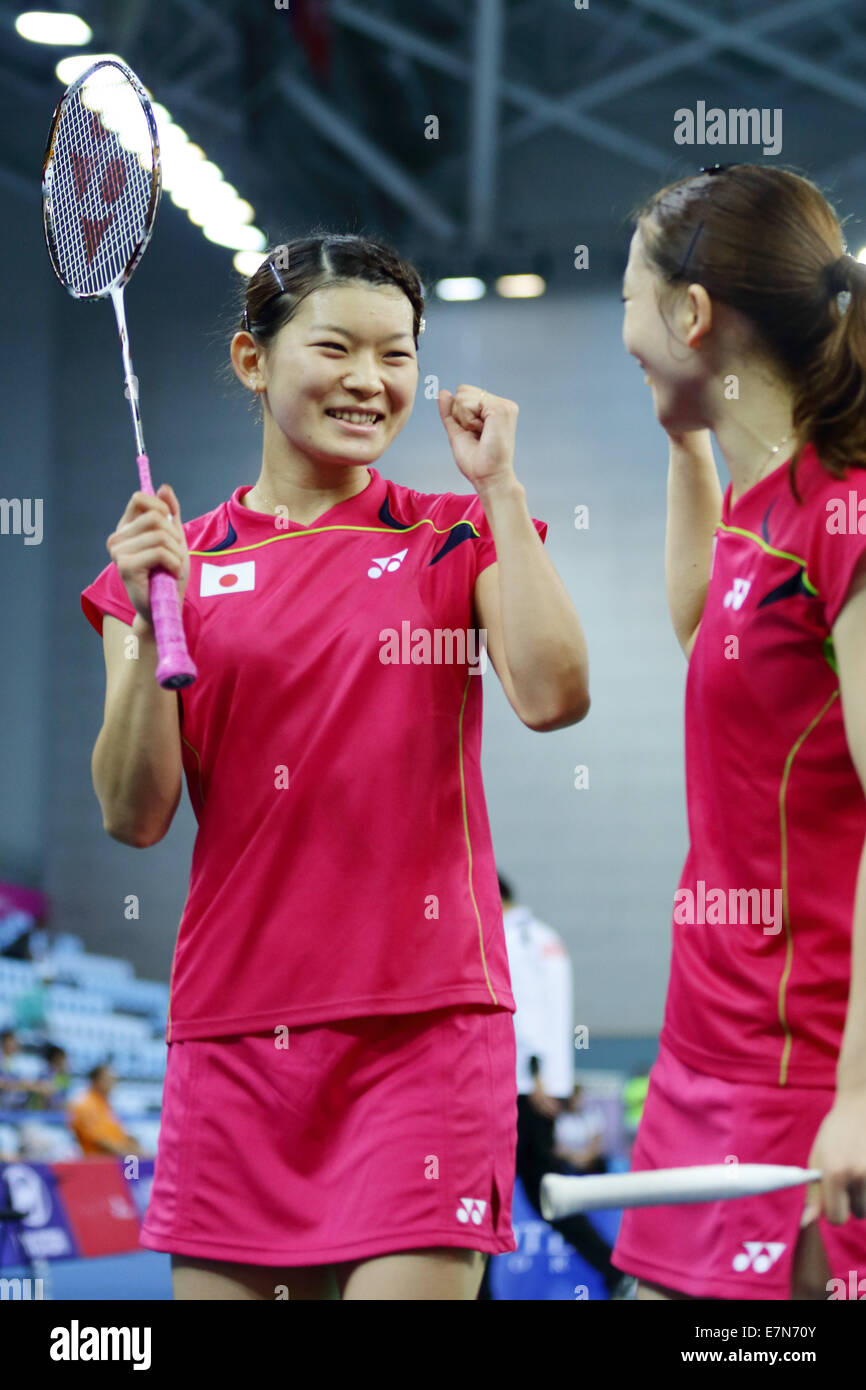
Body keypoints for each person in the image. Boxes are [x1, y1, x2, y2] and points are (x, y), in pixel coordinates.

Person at [80, 234, 590, 1301]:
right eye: (336, 347)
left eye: (397, 354)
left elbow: (551, 695)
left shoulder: (450, 536)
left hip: (423, 1027)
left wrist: (499, 489)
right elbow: (134, 814)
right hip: (234, 1033)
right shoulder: (172, 561)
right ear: (252, 359)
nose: (369, 380)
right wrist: (141, 613)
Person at [613, 163, 866, 1301]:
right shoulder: (762, 509)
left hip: (807, 1068)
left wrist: (858, 1095)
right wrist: (685, 442)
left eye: (629, 299)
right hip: (701, 1056)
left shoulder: (841, 513)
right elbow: (703, 639)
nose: (624, 332)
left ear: (689, 315)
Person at [492, 875, 625, 1298]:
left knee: (501, 1194)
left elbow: (524, 1012)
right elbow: (555, 1014)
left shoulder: (510, 940)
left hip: (522, 1089)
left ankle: (616, 1271)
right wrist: (558, 1080)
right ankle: (614, 1271)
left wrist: (534, 1076)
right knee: (538, 1191)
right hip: (541, 1085)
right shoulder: (546, 937)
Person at [68, 1064, 141, 1158]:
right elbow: (98, 1140)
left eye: (114, 1079)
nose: (113, 1083)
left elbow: (116, 1134)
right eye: (108, 1079)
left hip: (117, 1159)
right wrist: (128, 1155)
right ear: (96, 1081)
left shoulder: (104, 1104)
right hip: (100, 1163)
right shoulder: (86, 1105)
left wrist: (133, 1146)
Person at [554, 1083, 608, 1175]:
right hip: (569, 1162)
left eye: (580, 1097)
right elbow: (559, 1148)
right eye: (575, 1097)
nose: (577, 1100)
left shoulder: (592, 1116)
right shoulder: (561, 1119)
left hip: (590, 1162)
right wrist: (575, 1158)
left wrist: (586, 1158)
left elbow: (597, 1144)